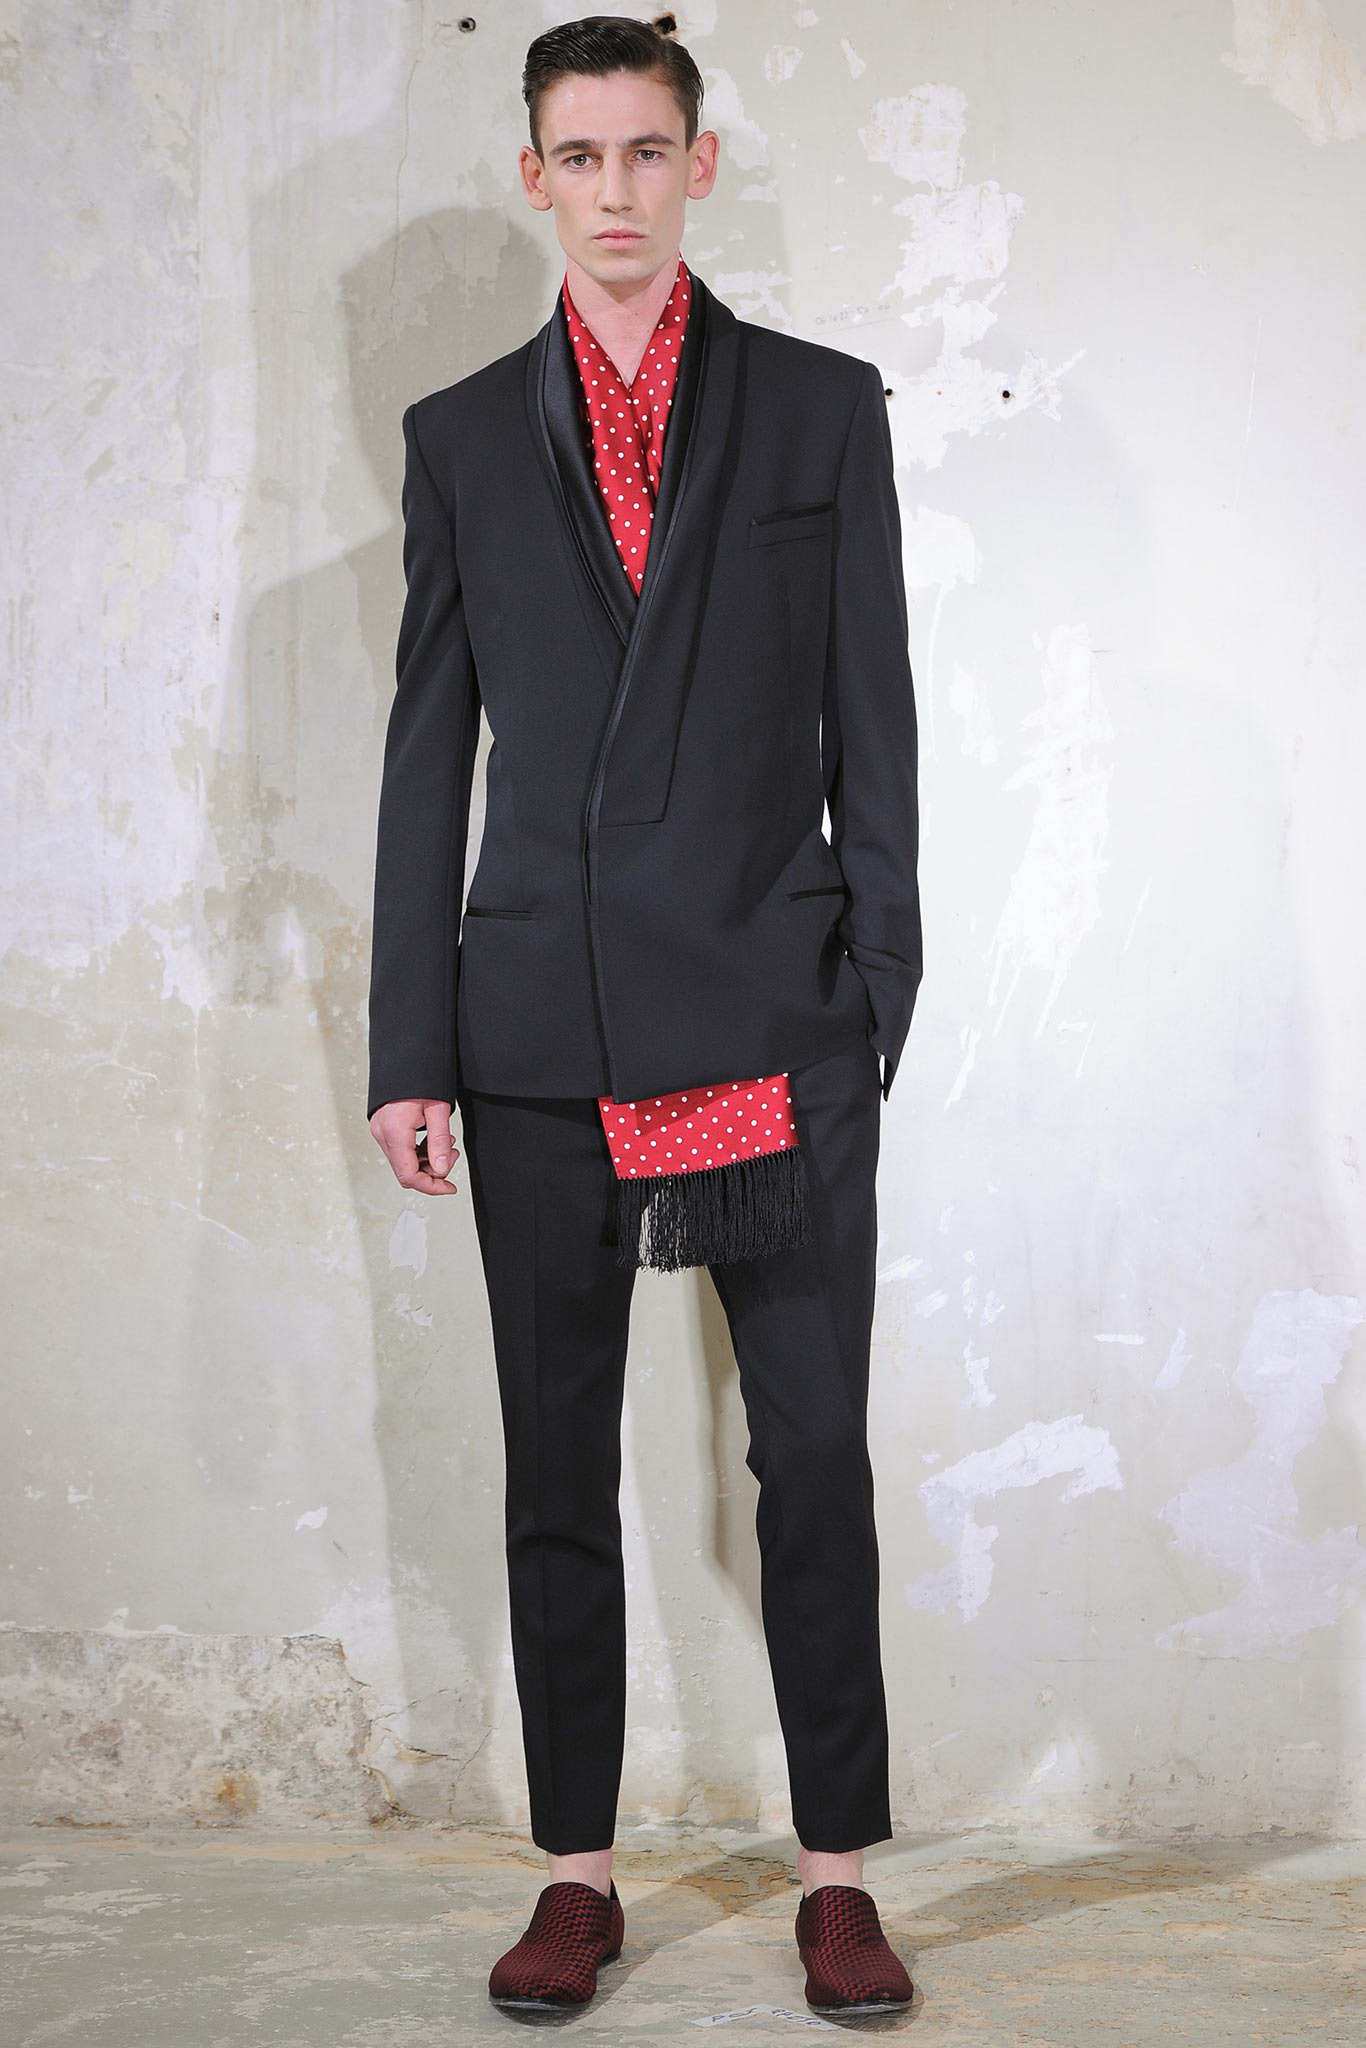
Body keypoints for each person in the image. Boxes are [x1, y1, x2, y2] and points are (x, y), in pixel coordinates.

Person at [367, 13, 921, 2019]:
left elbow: (874, 716)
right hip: (534, 1029)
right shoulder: (457, 437)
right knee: (554, 1468)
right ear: (535, 178)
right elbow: (428, 754)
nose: (614, 190)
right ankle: (577, 1874)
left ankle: (836, 1877)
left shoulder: (815, 410)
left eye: (646, 151)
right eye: (578, 156)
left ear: (700, 164)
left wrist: (872, 989)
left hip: (773, 1014)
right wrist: (408, 1049)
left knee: (814, 1459)